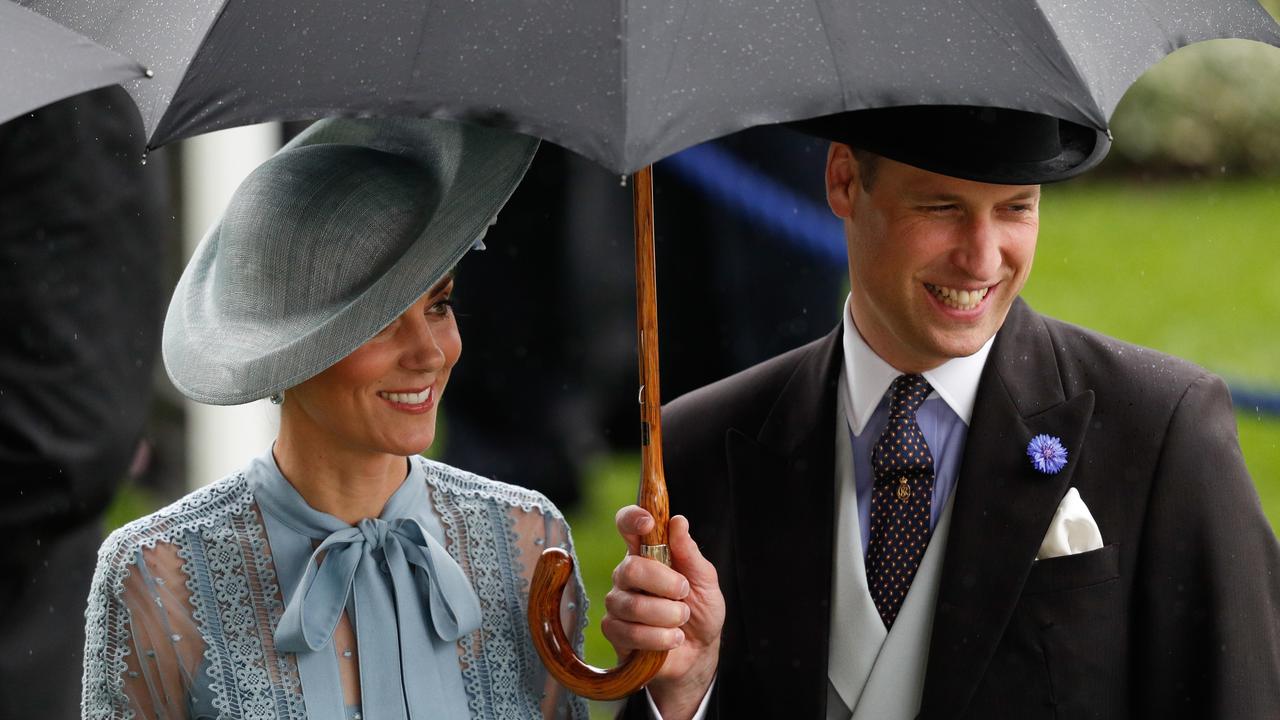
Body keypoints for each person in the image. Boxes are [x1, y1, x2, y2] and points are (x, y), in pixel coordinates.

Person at [602, 106, 1280, 719]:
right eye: (942, 208)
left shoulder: (1162, 428)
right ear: (843, 181)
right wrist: (683, 699)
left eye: (1016, 209)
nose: (982, 258)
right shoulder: (698, 442)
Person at [81, 117, 589, 719]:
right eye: (379, 320)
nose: (429, 353)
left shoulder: (529, 542)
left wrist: (676, 691)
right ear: (286, 346)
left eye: (439, 305)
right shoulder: (158, 573)